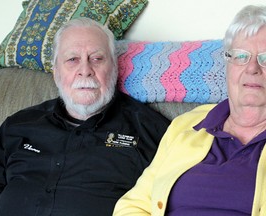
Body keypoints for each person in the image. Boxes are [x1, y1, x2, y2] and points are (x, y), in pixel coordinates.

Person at [0, 18, 170, 216]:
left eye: (97, 58)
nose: (85, 71)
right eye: (72, 59)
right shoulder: (18, 126)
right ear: (56, 73)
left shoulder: (151, 131)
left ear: (114, 68)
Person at [113, 5, 266, 216]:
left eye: (265, 58)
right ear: (227, 65)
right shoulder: (186, 124)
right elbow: (133, 205)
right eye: (241, 56)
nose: (252, 68)